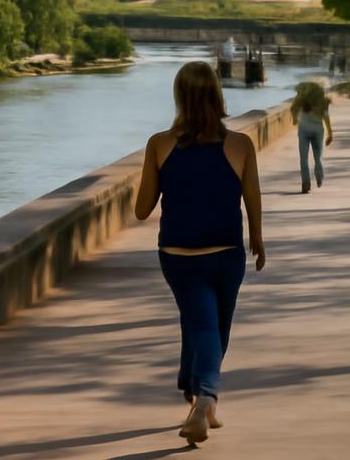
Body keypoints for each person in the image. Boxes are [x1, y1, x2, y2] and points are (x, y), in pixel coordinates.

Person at [135, 61, 266, 445]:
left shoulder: (159, 143)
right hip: (226, 253)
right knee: (212, 327)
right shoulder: (240, 144)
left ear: (179, 97)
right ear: (216, 95)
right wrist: (257, 236)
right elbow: (252, 198)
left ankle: (195, 393)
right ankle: (206, 395)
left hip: (178, 255)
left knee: (202, 323)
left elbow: (142, 209)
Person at [292, 82, 333, 193]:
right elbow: (326, 117)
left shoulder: (301, 100)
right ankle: (319, 177)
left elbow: (293, 109)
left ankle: (306, 184)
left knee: (303, 159)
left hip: (304, 130)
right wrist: (330, 133)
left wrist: (295, 119)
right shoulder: (322, 102)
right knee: (318, 158)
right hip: (318, 131)